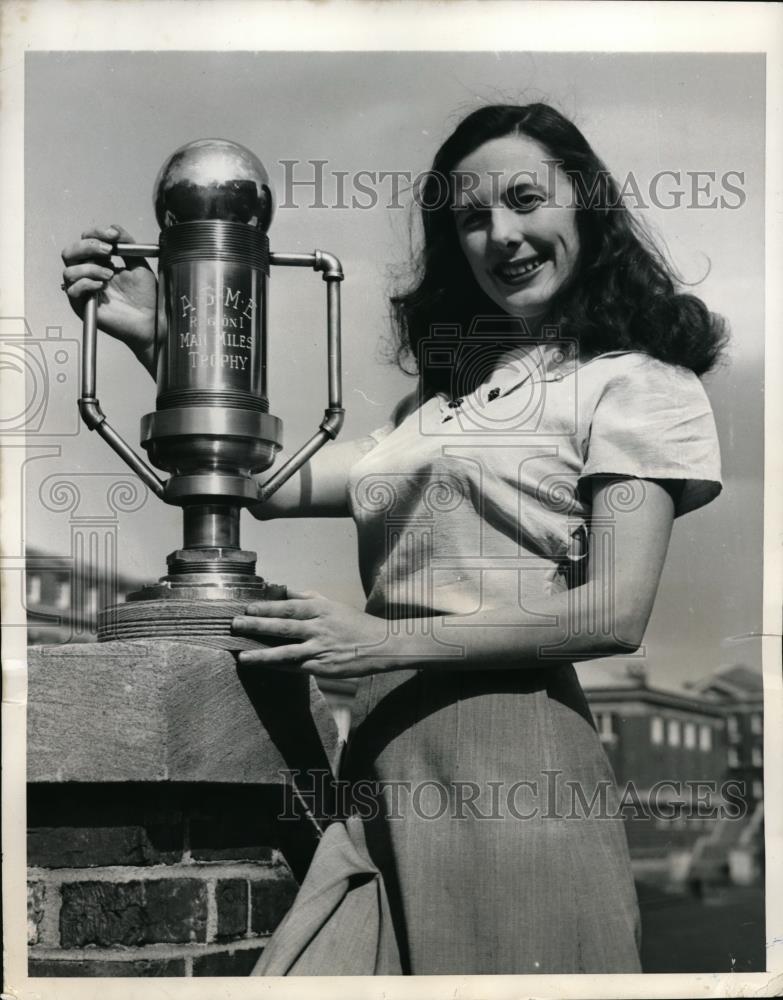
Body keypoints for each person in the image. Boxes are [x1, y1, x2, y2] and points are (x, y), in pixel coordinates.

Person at [61, 102, 726, 975]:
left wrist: (377, 639)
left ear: (587, 206)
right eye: (472, 219)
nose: (502, 236)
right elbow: (259, 484)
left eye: (527, 199)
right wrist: (169, 340)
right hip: (377, 771)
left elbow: (612, 611)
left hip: (512, 765)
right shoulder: (439, 409)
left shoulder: (638, 384)